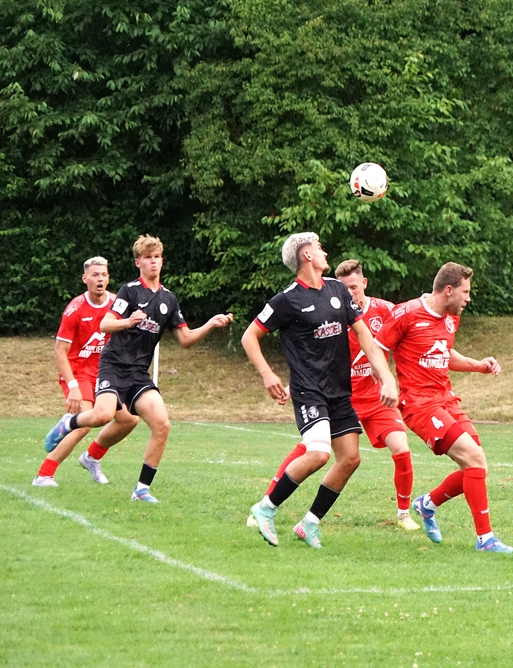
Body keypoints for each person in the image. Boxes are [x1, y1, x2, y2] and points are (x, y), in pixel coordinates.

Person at [43, 236, 234, 502]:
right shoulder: (129, 291)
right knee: (102, 415)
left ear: (162, 261)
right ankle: (69, 423)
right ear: (138, 262)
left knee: (162, 425)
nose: (153, 262)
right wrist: (128, 321)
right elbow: (105, 325)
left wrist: (210, 324)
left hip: (138, 373)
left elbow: (185, 340)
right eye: (147, 257)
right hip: (113, 365)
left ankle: (141, 490)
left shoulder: (169, 299)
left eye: (157, 257)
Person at [244, 234, 398, 549]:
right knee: (318, 453)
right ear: (306, 256)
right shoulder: (287, 300)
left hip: (339, 391)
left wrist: (387, 378)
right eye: (319, 248)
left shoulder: (337, 289)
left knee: (350, 458)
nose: (324, 251)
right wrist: (267, 374)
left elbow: (365, 337)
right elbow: (249, 336)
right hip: (309, 391)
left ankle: (310, 523)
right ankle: (266, 508)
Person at [374, 262, 513, 553]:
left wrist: (478, 365)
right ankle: (485, 540)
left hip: (446, 399)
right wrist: (387, 381)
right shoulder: (407, 313)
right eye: (465, 292)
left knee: (476, 465)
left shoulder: (451, 318)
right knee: (474, 459)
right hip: (419, 404)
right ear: (449, 290)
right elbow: (378, 347)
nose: (469, 298)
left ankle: (427, 505)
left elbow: (443, 351)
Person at [34, 257, 139, 487]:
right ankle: (44, 474)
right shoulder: (75, 309)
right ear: (85, 279)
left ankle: (91, 457)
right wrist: (72, 386)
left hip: (106, 372)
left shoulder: (117, 304)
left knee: (129, 419)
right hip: (79, 372)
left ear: (108, 278)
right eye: (95, 275)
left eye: (103, 274)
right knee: (86, 422)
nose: (100, 279)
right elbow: (60, 351)